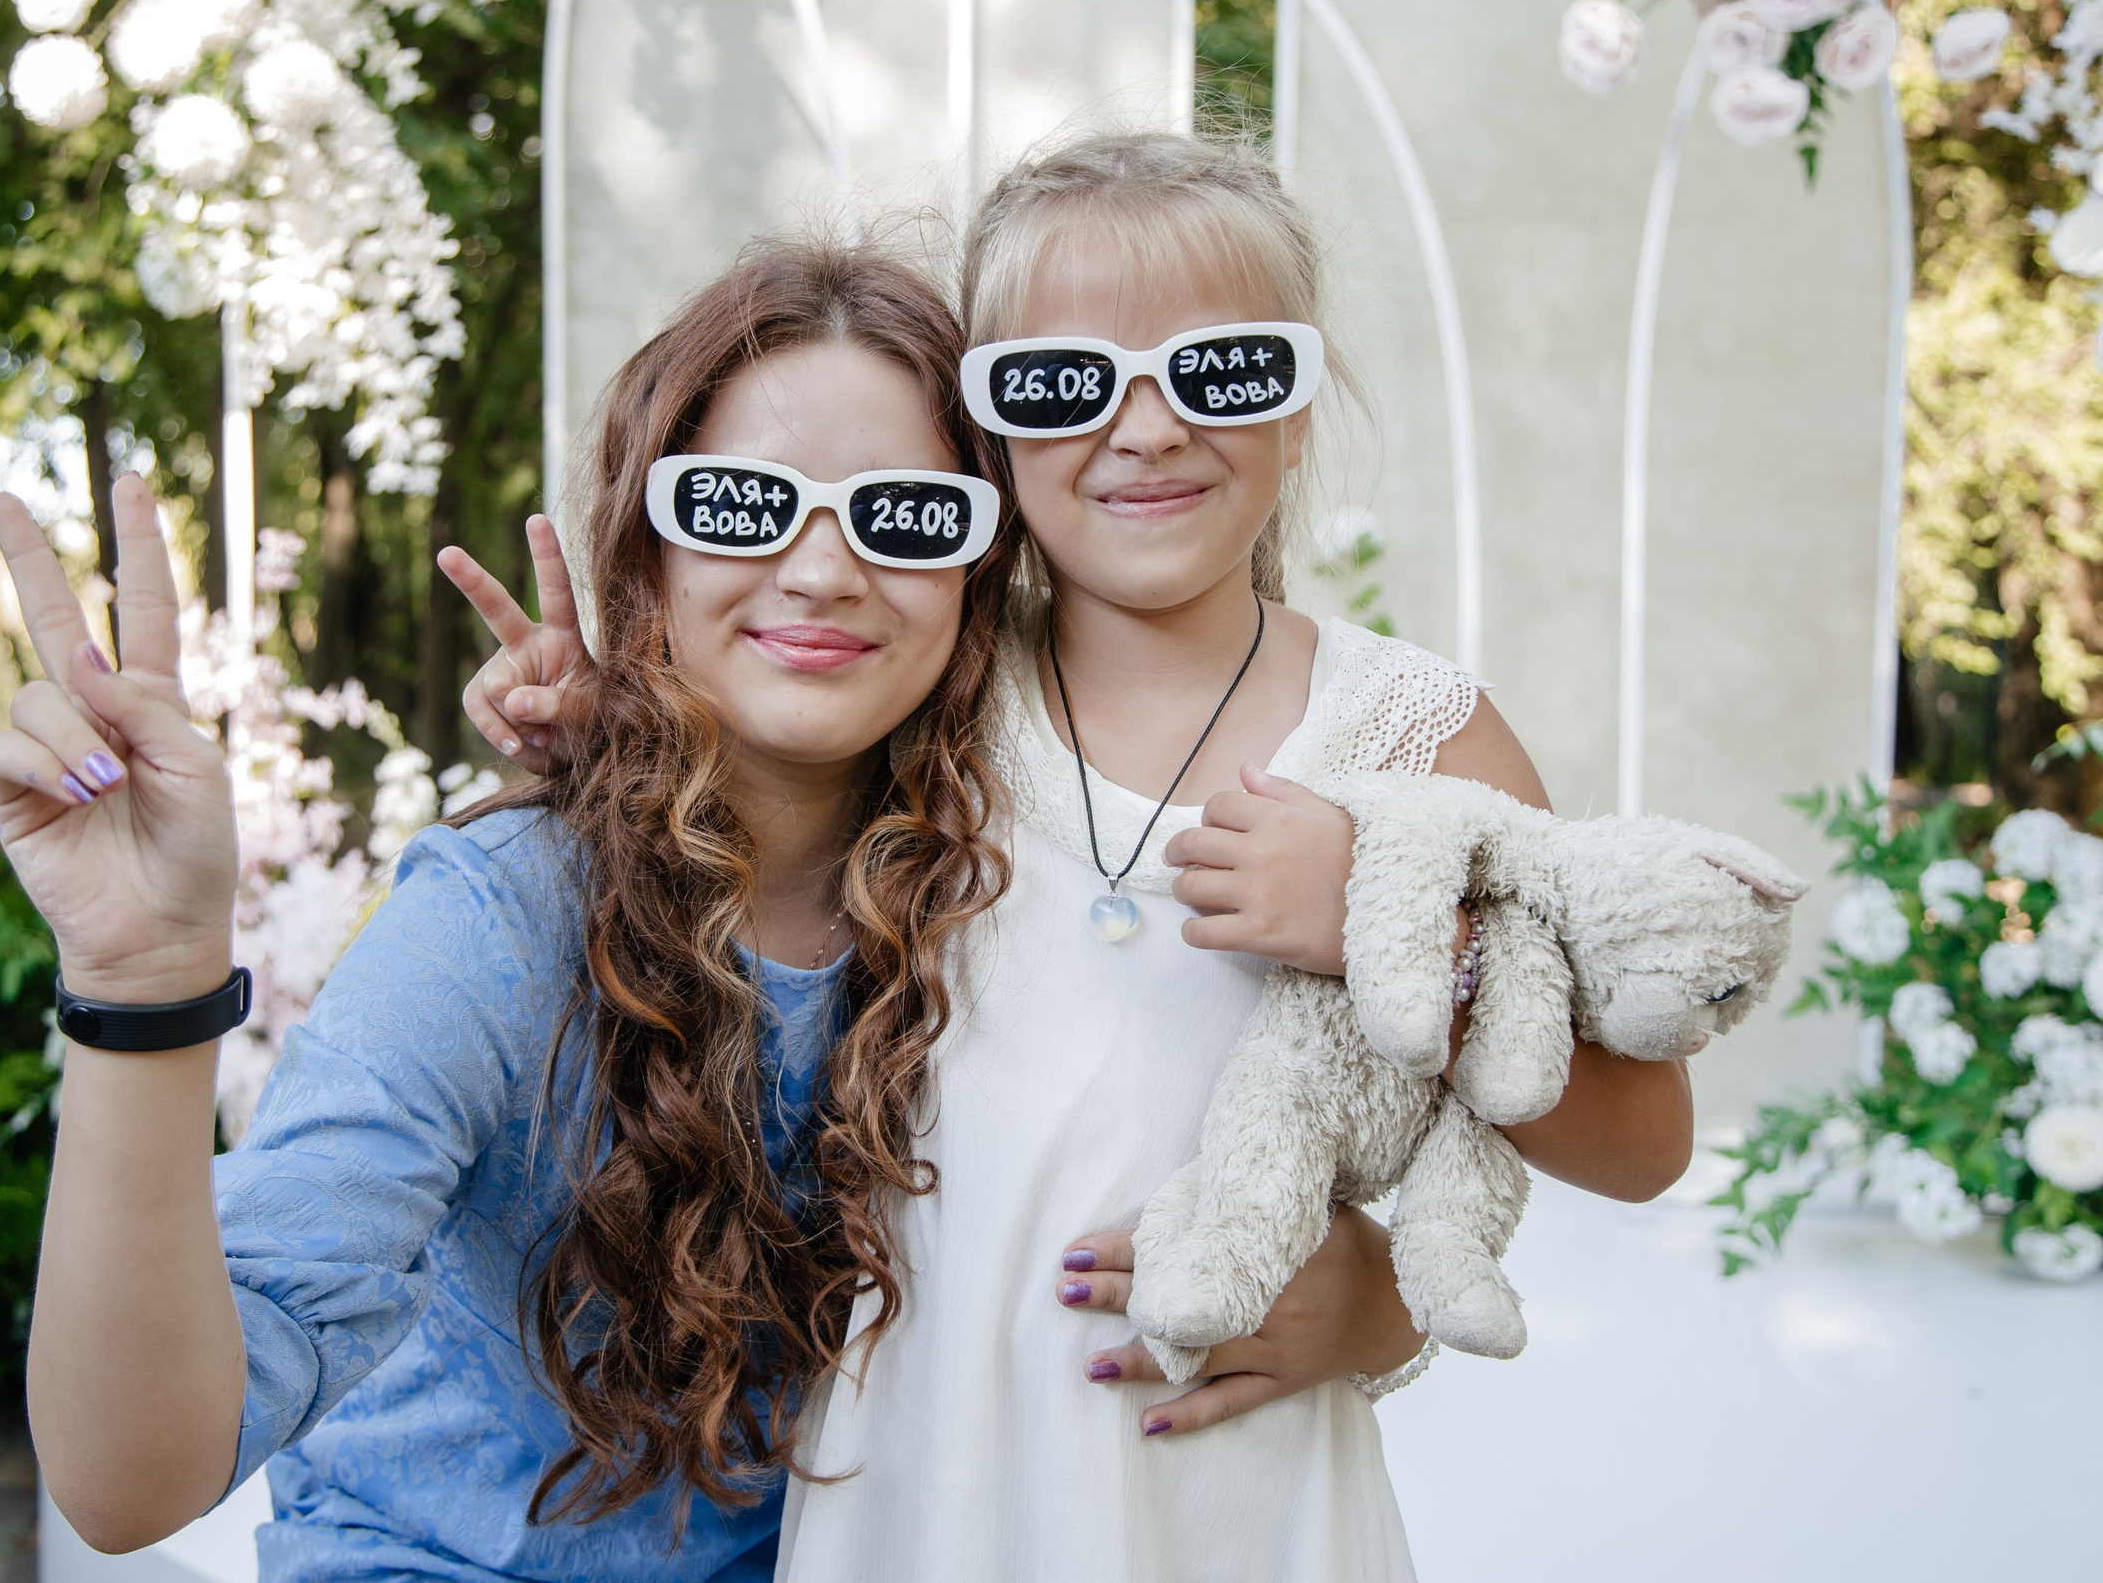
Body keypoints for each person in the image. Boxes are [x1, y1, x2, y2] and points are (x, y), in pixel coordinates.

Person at [0, 237, 1416, 1583]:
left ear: (983, 582)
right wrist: (146, 984)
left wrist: (1383, 1296)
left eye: (906, 517)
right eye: (738, 507)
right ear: (646, 550)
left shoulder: (1018, 887)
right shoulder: (500, 924)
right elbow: (136, 1481)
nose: (820, 569)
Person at [460, 133, 1698, 1580]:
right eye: (1062, 383)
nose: (1151, 427)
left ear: (1301, 409)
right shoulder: (915, 699)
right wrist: (598, 712)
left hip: (1227, 1485)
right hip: (926, 1477)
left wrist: (1391, 936)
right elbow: (720, 822)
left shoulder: (1418, 736)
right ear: (985, 435)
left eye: (1224, 370)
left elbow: (1644, 1140)